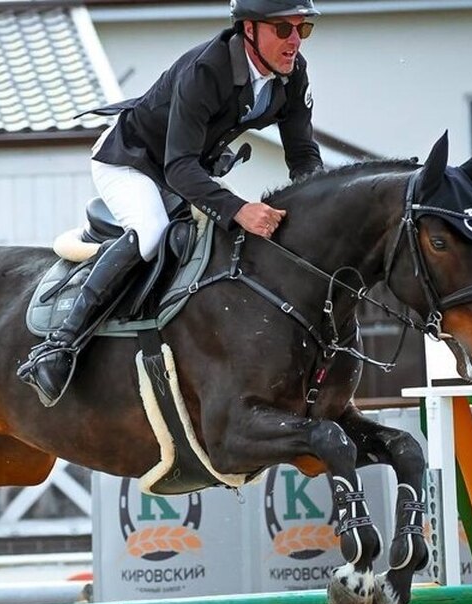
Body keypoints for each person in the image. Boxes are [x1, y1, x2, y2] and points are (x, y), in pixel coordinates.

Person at [18, 0, 326, 406]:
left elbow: (302, 154)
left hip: (185, 165)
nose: (295, 42)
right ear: (249, 29)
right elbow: (178, 168)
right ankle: (58, 347)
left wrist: (321, 204)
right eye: (283, 29)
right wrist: (239, 208)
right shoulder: (207, 70)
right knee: (152, 233)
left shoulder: (292, 73)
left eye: (303, 29)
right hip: (130, 160)